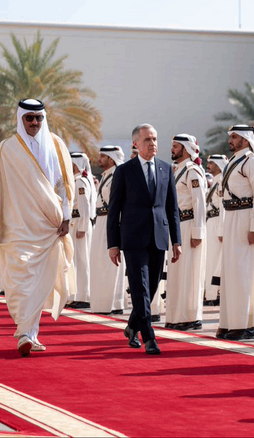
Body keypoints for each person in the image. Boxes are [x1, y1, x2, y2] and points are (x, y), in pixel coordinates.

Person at [0, 99, 75, 356]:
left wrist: (66, 217)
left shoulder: (57, 146)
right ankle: (26, 332)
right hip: (16, 227)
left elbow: (64, 186)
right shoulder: (6, 149)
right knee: (20, 281)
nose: (34, 123)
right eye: (29, 118)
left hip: (48, 227)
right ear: (20, 118)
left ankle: (27, 333)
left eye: (38, 118)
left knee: (42, 281)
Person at [107, 123, 182, 355]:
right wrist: (113, 244)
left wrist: (176, 240)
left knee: (151, 287)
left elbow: (172, 208)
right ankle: (149, 336)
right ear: (136, 144)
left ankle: (131, 326)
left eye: (155, 139)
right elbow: (114, 210)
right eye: (148, 140)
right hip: (133, 238)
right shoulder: (124, 171)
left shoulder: (165, 169)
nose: (153, 144)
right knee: (140, 288)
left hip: (158, 237)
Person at [217, 125, 254, 341]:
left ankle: (244, 325)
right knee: (230, 272)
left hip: (245, 217)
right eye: (230, 136)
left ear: (246, 140)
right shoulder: (234, 161)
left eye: (235, 136)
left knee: (243, 272)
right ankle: (229, 323)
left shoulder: (252, 161)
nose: (231, 140)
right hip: (231, 217)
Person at [165, 134, 207, 331]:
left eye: (176, 146)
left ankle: (190, 316)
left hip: (189, 225)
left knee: (190, 273)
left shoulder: (193, 171)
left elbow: (199, 203)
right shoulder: (177, 170)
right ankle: (175, 316)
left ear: (186, 149)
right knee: (176, 274)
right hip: (176, 226)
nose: (172, 150)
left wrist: (198, 232)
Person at [90, 146, 127, 314]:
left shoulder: (117, 176)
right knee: (100, 261)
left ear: (111, 159)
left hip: (111, 221)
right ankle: (102, 302)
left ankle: (112, 304)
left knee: (110, 262)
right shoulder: (107, 176)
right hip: (101, 220)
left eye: (103, 156)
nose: (100, 159)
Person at [68, 152, 95, 309]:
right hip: (76, 222)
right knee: (76, 261)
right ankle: (77, 294)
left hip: (79, 224)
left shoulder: (80, 182)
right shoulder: (78, 181)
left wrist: (83, 227)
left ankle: (83, 296)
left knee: (81, 261)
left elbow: (84, 207)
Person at [204, 154, 228, 305]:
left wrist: (221, 229)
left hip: (217, 222)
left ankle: (216, 294)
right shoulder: (216, 182)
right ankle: (211, 294)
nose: (209, 165)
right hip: (211, 222)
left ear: (218, 165)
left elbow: (223, 206)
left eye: (211, 163)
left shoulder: (221, 181)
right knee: (211, 259)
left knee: (216, 260)